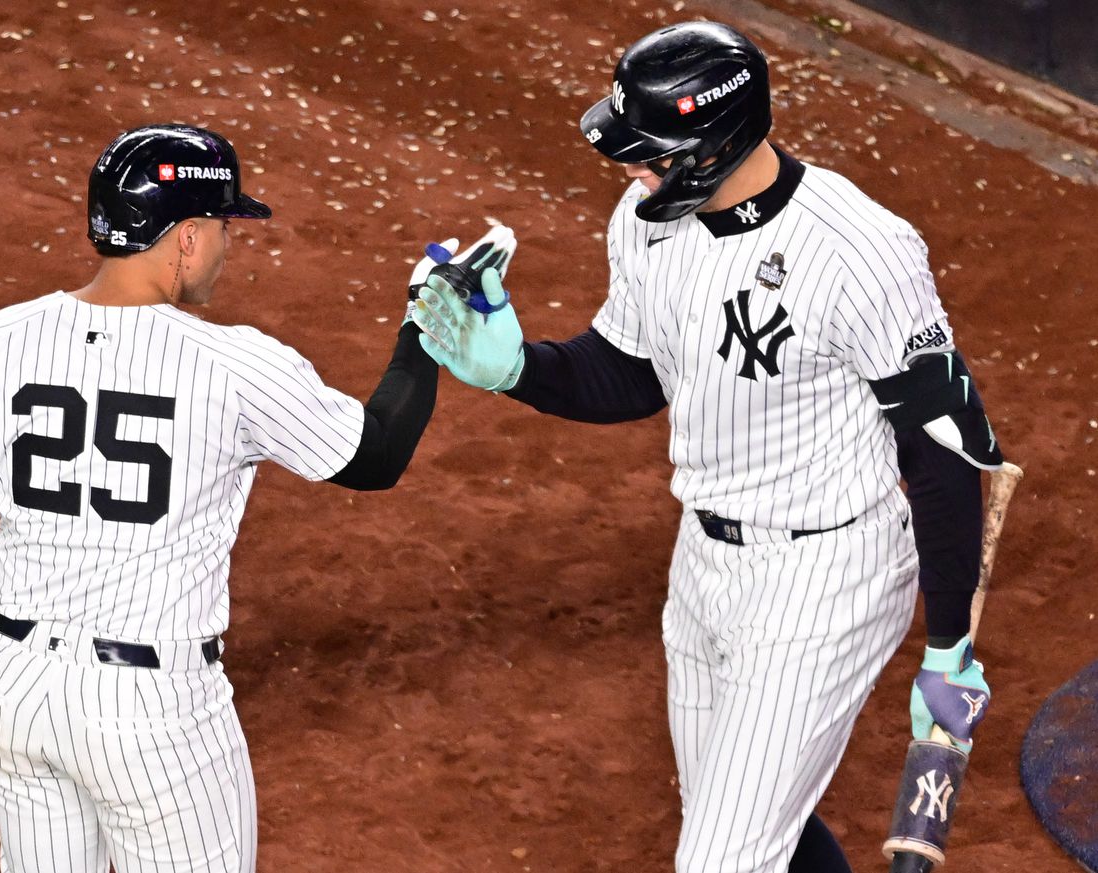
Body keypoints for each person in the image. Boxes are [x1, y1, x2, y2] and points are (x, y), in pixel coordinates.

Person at [410, 21, 1001, 873]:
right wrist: (516, 369)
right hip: (704, 562)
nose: (629, 170)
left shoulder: (860, 252)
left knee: (722, 860)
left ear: (713, 145)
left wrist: (949, 646)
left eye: (649, 153)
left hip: (823, 579)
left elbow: (941, 450)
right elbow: (632, 370)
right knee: (750, 822)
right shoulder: (649, 222)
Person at [0, 123, 513, 873]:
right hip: (152, 717)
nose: (227, 246)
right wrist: (421, 326)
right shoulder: (231, 364)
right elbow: (374, 457)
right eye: (223, 226)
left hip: (13, 692)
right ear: (185, 238)